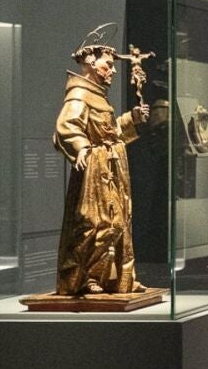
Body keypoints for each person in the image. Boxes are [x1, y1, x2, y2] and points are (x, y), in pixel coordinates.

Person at [53, 24, 152, 297]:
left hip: (112, 167)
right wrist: (82, 148)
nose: (113, 70)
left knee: (120, 222)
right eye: (108, 65)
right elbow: (66, 126)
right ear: (90, 62)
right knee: (95, 223)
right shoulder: (79, 95)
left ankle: (121, 279)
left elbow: (110, 131)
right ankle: (85, 278)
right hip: (96, 170)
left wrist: (131, 119)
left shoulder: (99, 97)